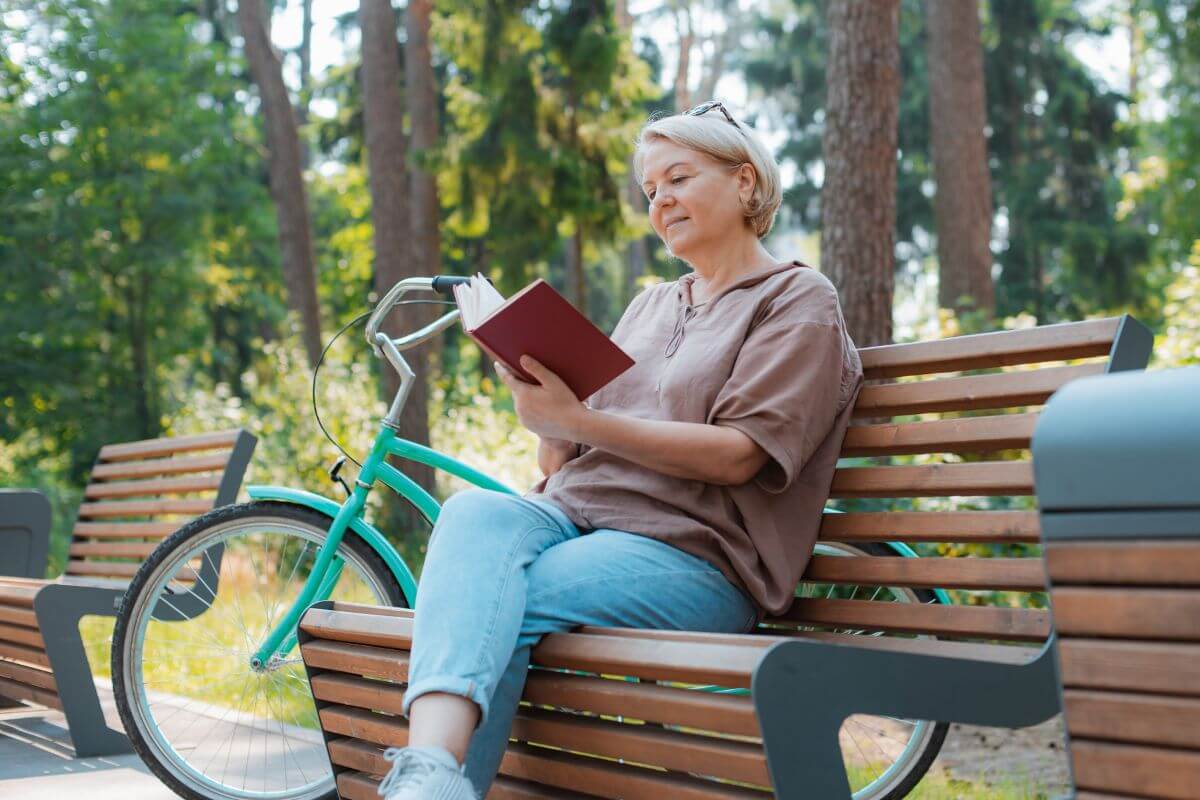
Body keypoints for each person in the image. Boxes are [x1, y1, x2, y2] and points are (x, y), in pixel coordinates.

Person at [376, 101, 864, 800]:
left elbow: (737, 456)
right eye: (650, 191)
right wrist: (544, 410)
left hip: (697, 555)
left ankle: (428, 786)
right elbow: (562, 466)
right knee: (472, 516)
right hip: (578, 518)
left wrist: (583, 420)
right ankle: (429, 777)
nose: (661, 200)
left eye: (678, 177)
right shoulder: (651, 305)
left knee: (498, 599)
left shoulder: (796, 300)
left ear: (746, 183)